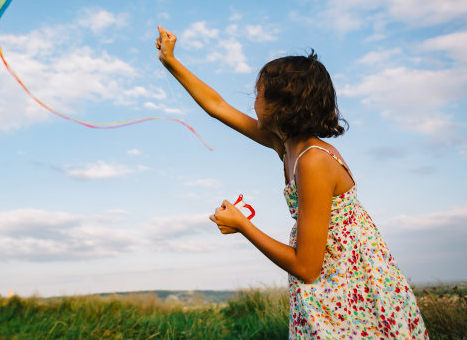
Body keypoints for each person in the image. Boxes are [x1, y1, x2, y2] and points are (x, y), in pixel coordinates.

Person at [155, 25, 428, 339]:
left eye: (258, 94)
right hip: (333, 285)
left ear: (282, 106)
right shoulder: (284, 145)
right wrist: (171, 62)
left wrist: (243, 225)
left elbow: (306, 267)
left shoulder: (312, 160)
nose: (253, 101)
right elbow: (217, 106)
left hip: (354, 290)